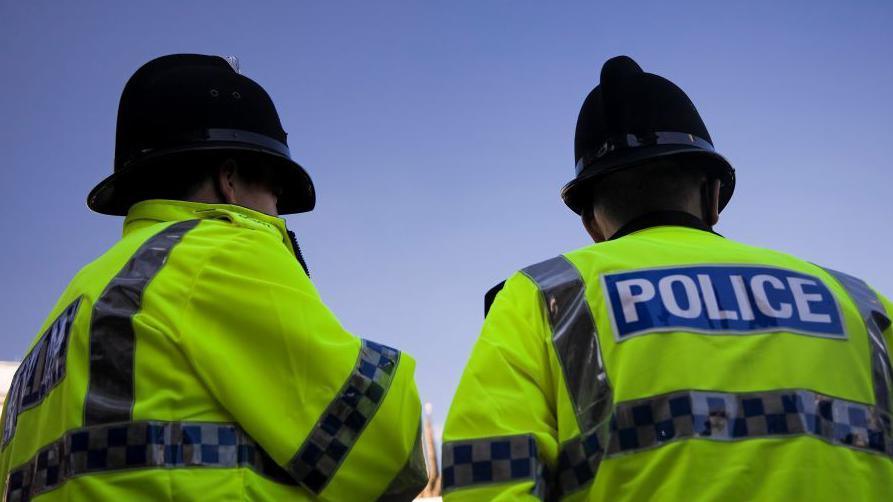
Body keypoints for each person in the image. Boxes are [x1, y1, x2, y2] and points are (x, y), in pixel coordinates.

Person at [441, 55, 893, 501]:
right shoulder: (860, 303)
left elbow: (485, 481)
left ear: (592, 225)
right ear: (714, 195)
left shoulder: (545, 297)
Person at [0, 54, 427, 501]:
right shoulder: (217, 254)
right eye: (275, 193)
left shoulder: (70, 313)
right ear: (230, 180)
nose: (277, 213)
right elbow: (387, 451)